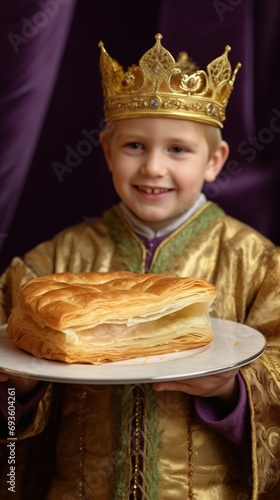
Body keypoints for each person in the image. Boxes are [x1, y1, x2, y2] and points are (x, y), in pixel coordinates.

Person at [0, 33, 279, 499]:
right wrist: (23, 387)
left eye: (178, 149)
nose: (152, 167)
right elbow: (10, 411)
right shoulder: (49, 265)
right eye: (134, 146)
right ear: (107, 150)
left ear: (215, 160)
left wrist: (232, 390)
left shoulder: (258, 263)